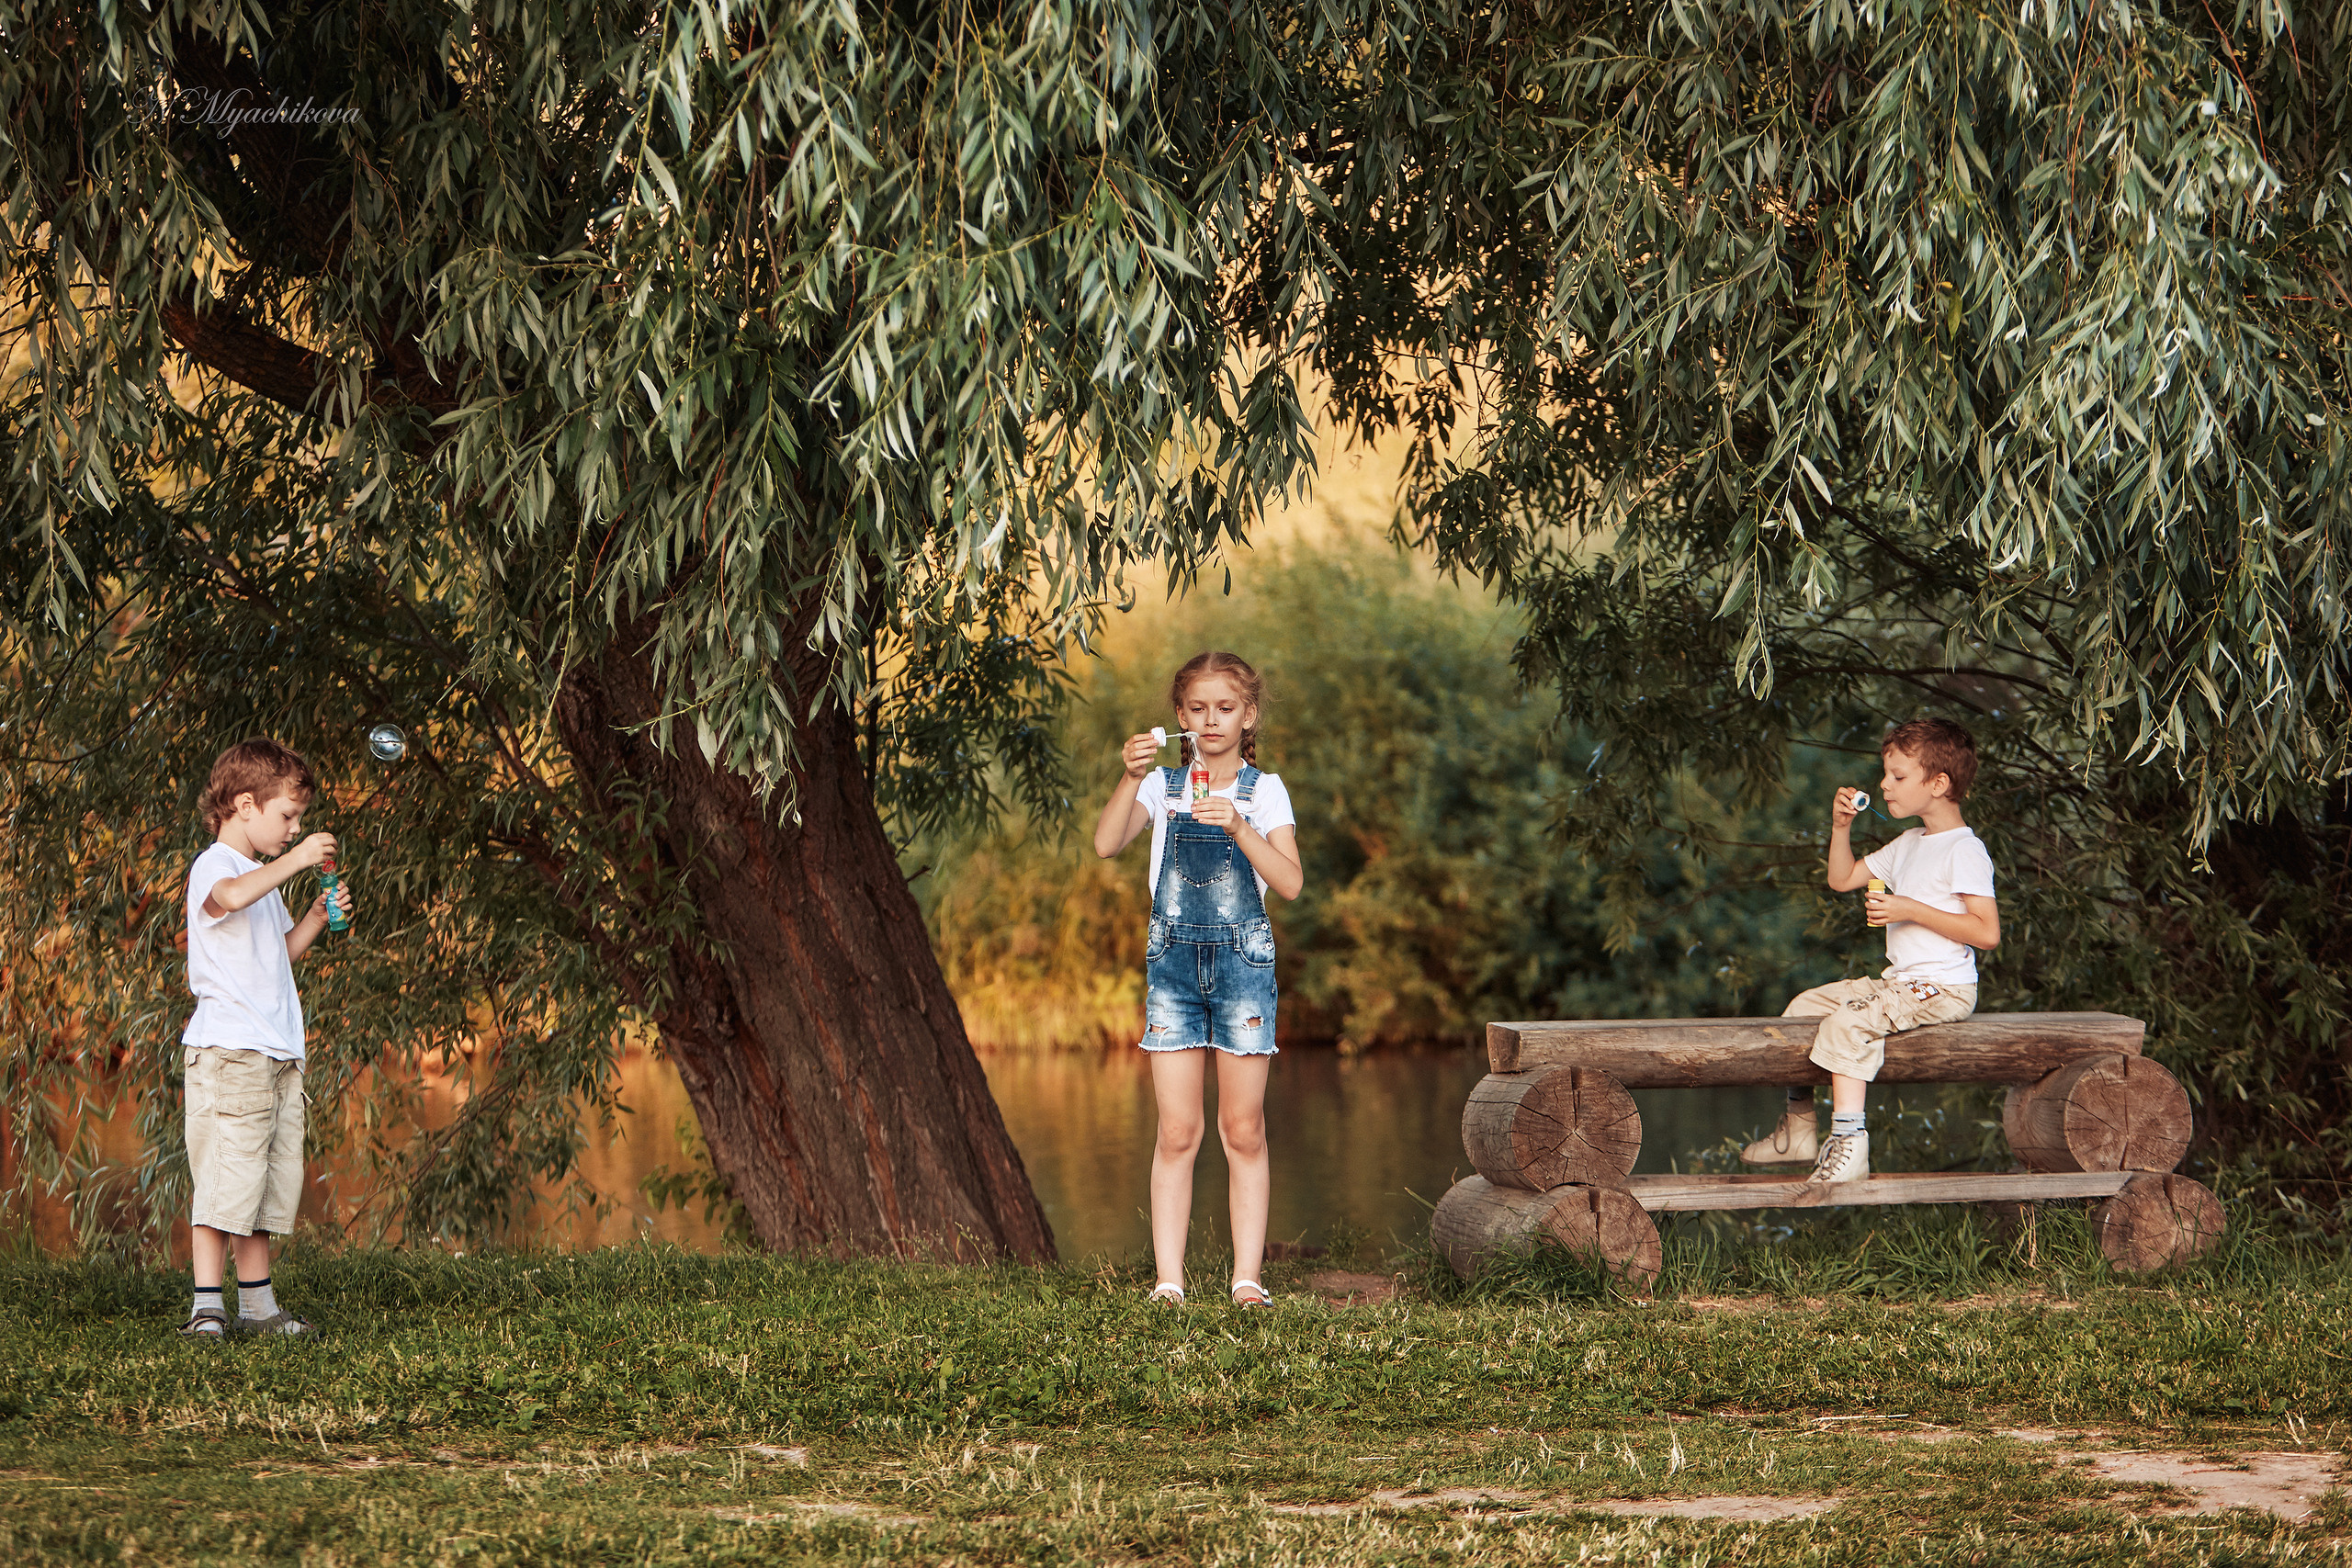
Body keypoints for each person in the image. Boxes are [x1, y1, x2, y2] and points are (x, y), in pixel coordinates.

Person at [1092, 651, 1303, 1307]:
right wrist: (1129, 778)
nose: (1212, 720)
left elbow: (1291, 882)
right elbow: (1106, 843)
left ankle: (1247, 1279)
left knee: (1244, 1129)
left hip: (1243, 971)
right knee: (1177, 1131)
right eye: (1199, 708)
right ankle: (1169, 1281)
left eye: (1227, 707)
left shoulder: (1263, 791)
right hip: (1174, 973)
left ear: (1249, 716)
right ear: (1179, 718)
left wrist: (1239, 825)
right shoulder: (1162, 786)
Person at [1743, 718, 1999, 1183]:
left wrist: (1910, 908)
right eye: (1886, 775)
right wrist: (1841, 827)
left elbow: (1986, 933)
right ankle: (1799, 1129)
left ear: (1939, 783)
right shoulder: (1909, 843)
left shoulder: (1965, 850)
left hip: (1943, 989)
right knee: (1801, 1009)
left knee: (1848, 1023)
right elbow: (1841, 879)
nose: (1884, 784)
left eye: (1898, 777)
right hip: (1900, 984)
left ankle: (1849, 1144)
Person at [177, 739, 353, 1337]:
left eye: (299, 821)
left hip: (275, 1053)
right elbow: (226, 901)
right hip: (229, 1052)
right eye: (288, 816)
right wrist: (300, 858)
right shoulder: (217, 865)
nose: (295, 828)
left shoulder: (262, 877)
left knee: (261, 1189)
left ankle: (258, 1308)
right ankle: (208, 1308)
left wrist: (313, 916)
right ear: (244, 805)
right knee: (225, 1181)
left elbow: (276, 955)